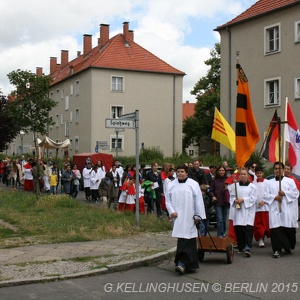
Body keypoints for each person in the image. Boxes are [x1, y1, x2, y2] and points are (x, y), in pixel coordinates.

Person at [166, 164, 206, 275]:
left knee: (189, 239)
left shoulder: (193, 184)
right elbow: (167, 200)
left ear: (187, 173)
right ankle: (183, 263)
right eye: (178, 171)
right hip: (178, 216)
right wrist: (171, 211)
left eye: (182, 171)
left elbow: (198, 201)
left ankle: (183, 263)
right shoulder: (171, 185)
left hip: (190, 216)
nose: (180, 173)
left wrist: (198, 215)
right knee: (182, 238)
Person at [263, 162, 299, 258]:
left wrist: (285, 194)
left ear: (283, 170)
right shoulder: (268, 182)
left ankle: (288, 246)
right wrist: (275, 197)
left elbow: (295, 193)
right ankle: (277, 249)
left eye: (279, 168)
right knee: (276, 229)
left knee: (287, 229)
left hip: (287, 209)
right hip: (275, 209)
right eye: (275, 168)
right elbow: (265, 195)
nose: (277, 170)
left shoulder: (290, 181)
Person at [228, 167, 256, 257]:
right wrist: (235, 200)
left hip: (248, 210)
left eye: (244, 174)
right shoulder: (234, 186)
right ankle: (241, 246)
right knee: (239, 229)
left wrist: (243, 199)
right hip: (238, 210)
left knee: (248, 229)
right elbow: (231, 197)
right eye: (241, 174)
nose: (243, 176)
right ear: (239, 176)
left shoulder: (252, 187)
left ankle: (248, 247)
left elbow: (253, 198)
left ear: (248, 176)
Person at [209, 165, 229, 238]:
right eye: (220, 170)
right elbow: (210, 190)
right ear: (218, 171)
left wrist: (228, 188)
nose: (221, 172)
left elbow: (233, 190)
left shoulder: (228, 180)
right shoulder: (214, 180)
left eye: (223, 170)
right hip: (218, 202)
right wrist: (213, 196)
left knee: (224, 219)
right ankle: (219, 234)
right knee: (219, 219)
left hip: (225, 201)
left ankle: (223, 232)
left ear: (225, 171)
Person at [253, 167, 270, 248]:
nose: (259, 174)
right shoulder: (253, 183)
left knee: (265, 224)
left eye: (260, 173)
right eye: (257, 173)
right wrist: (256, 201)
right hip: (256, 207)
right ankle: (260, 238)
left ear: (263, 173)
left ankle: (263, 237)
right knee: (258, 225)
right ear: (255, 174)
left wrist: (265, 201)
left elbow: (270, 193)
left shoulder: (267, 182)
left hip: (265, 207)